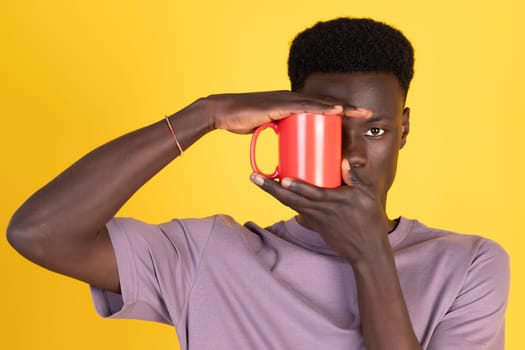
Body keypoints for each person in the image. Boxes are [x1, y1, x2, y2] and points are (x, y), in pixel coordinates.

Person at [6, 17, 509, 350]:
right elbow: (39, 233)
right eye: (330, 128)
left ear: (403, 131)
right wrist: (205, 114)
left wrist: (370, 255)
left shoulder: (469, 266)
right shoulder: (210, 255)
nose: (353, 153)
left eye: (375, 130)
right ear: (287, 128)